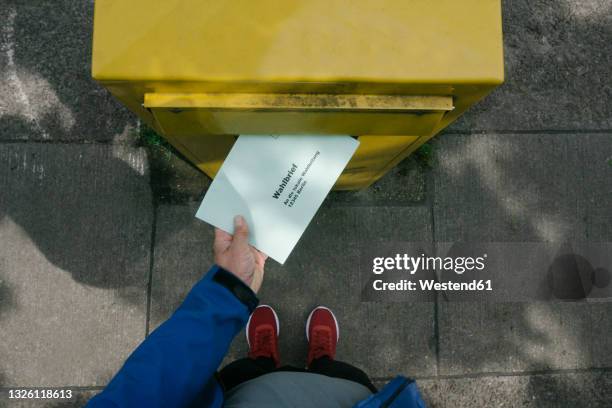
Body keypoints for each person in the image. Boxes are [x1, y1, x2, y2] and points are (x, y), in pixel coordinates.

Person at [87, 215, 377, 407]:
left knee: (245, 373)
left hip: (242, 396)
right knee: (342, 376)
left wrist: (229, 293)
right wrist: (227, 293)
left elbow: (145, 392)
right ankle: (321, 361)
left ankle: (263, 359)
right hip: (348, 399)